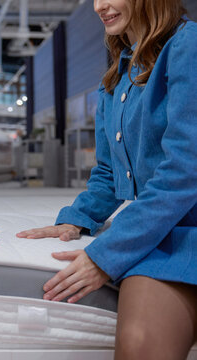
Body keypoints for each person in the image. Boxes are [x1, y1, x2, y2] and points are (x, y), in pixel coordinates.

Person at [17, 0, 196, 359]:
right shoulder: (115, 79)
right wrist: (77, 218)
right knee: (138, 346)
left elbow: (186, 169)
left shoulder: (187, 46)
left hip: (184, 231)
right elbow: (108, 172)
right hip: (162, 231)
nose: (100, 6)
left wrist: (108, 254)